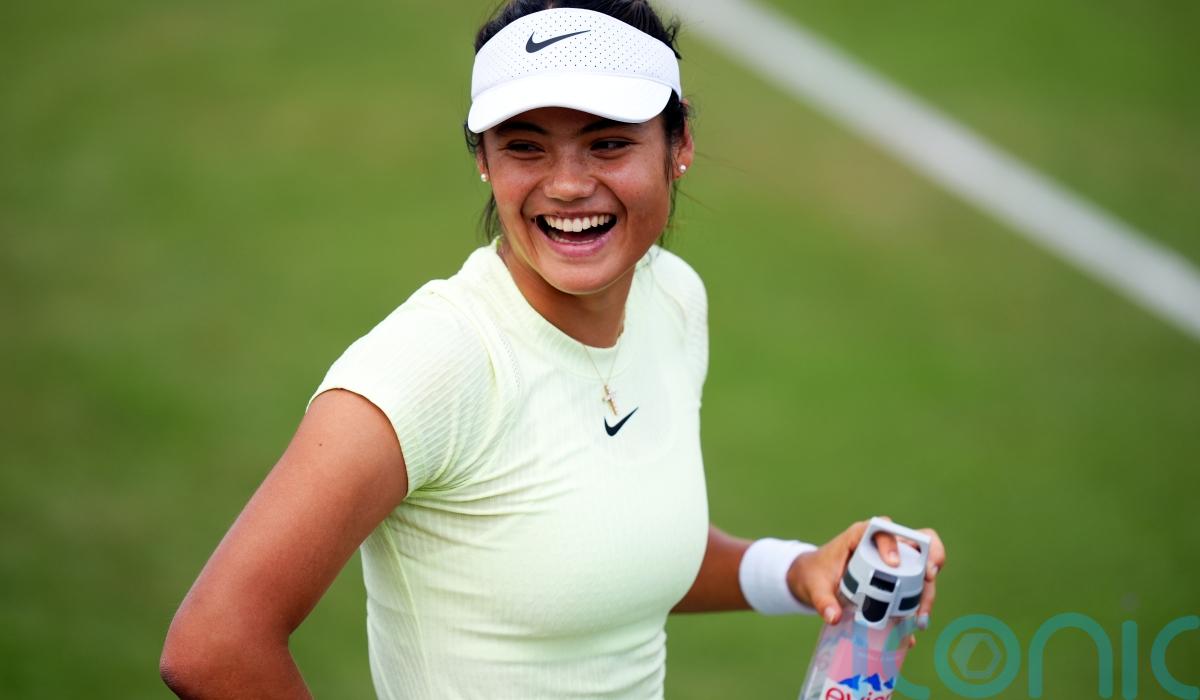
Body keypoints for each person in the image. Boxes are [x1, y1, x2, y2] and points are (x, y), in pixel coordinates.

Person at [159, 1, 946, 698]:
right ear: (483, 159)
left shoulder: (672, 299)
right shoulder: (430, 364)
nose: (567, 185)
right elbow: (214, 644)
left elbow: (609, 552)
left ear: (679, 144)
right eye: (525, 147)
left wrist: (794, 571)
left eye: (607, 144)